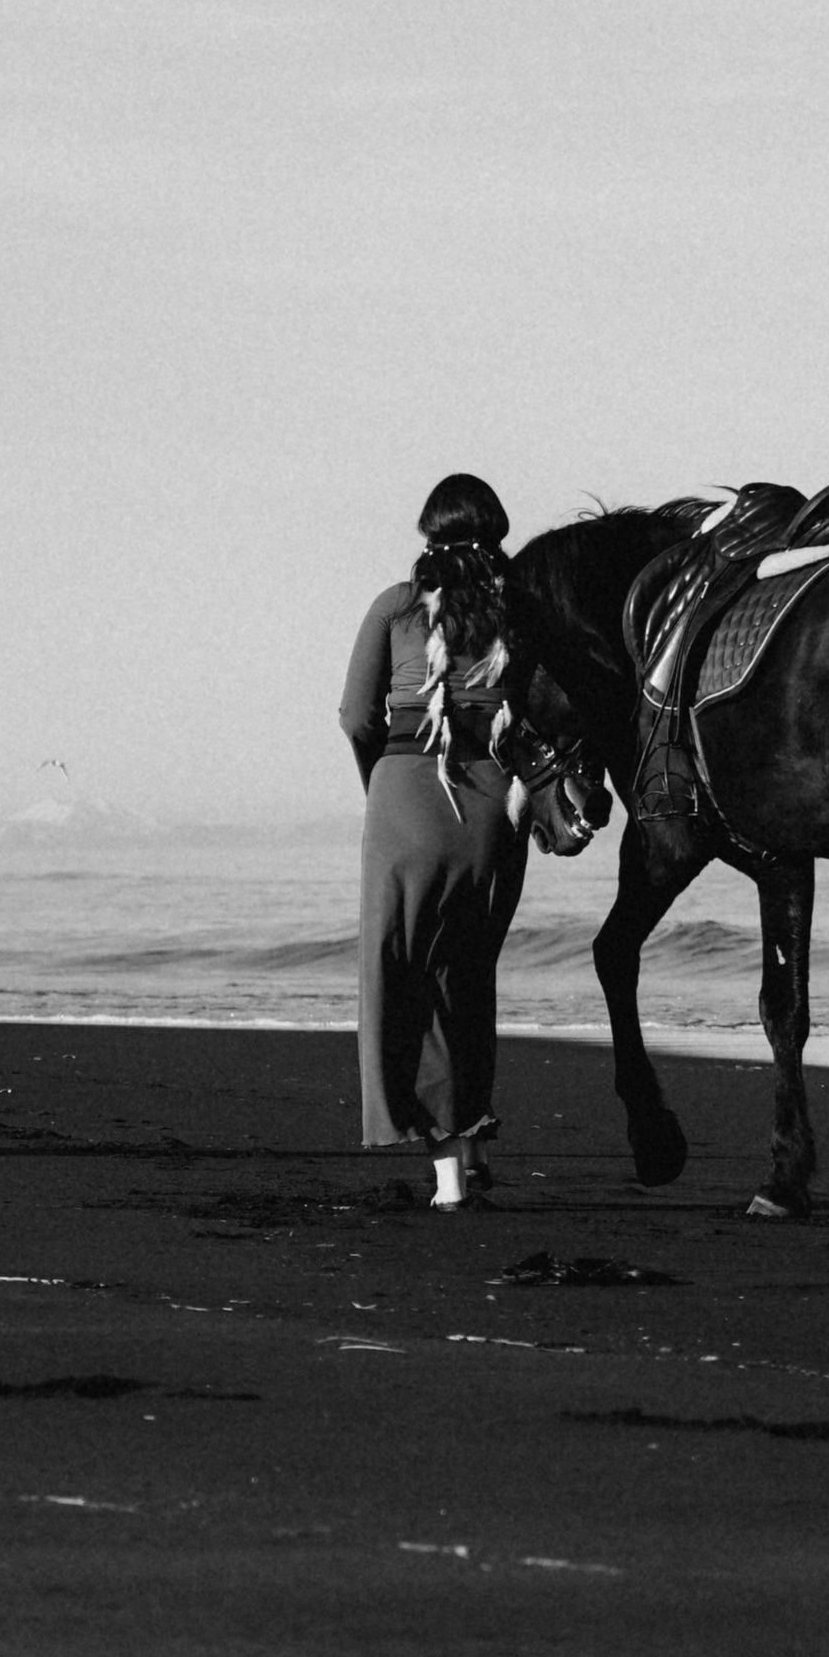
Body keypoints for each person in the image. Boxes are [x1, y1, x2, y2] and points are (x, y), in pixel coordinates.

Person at [338, 471, 529, 1209]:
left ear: (429, 534)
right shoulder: (518, 609)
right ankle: (470, 1147)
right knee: (467, 978)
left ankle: (447, 1178)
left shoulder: (395, 605)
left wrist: (385, 784)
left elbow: (357, 716)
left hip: (403, 797)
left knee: (402, 982)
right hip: (490, 806)